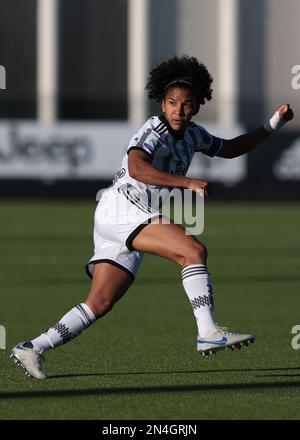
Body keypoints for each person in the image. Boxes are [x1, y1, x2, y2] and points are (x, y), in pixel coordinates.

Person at [11, 55, 294, 379]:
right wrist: (186, 182)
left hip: (125, 216)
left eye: (186, 104)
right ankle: (208, 331)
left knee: (100, 302)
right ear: (161, 102)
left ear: (197, 106)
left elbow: (229, 148)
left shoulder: (195, 135)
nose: (178, 109)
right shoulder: (154, 128)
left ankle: (32, 347)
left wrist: (274, 123)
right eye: (171, 102)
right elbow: (136, 167)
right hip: (122, 206)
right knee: (193, 251)